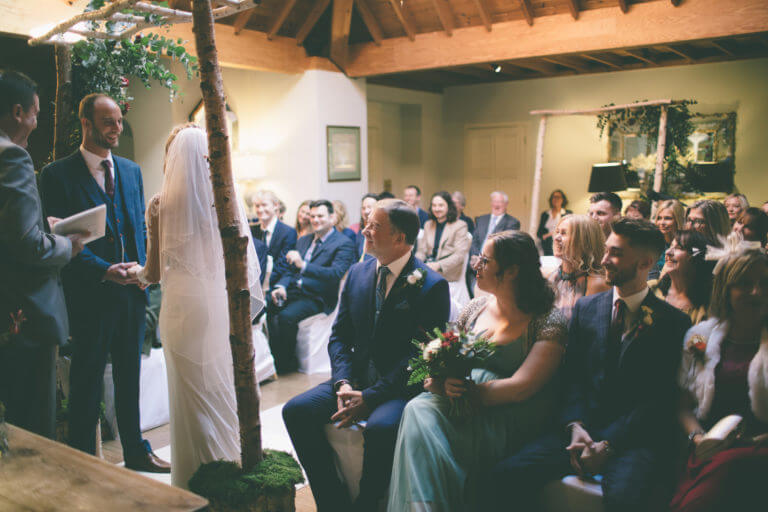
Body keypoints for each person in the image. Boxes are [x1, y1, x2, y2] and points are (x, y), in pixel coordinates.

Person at [484, 218, 691, 512]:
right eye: (606, 250)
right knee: (507, 473)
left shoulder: (672, 322)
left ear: (645, 262)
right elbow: (574, 377)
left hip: (633, 440)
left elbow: (658, 399)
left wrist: (609, 445)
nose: (604, 259)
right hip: (581, 430)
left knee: (626, 500)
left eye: (616, 253)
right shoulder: (587, 307)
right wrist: (575, 425)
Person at [283, 199, 450, 512]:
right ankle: (333, 503)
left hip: (399, 388)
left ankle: (367, 504)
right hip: (356, 376)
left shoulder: (431, 285)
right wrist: (343, 382)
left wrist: (372, 397)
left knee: (381, 427)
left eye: (374, 226)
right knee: (295, 410)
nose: (365, 232)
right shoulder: (359, 273)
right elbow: (340, 336)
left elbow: (421, 357)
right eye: (367, 223)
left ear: (400, 238)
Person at [388, 231, 568, 511]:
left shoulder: (547, 320)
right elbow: (447, 357)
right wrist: (442, 381)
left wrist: (468, 393)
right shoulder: (474, 308)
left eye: (485, 260)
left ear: (511, 271)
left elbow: (523, 386)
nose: (476, 265)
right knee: (417, 410)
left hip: (508, 414)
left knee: (420, 417)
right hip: (459, 402)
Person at [40, 93, 170, 472]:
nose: (116, 128)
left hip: (131, 295)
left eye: (118, 121)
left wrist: (146, 270)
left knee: (131, 377)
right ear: (86, 123)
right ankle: (84, 463)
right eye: (108, 121)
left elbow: (139, 227)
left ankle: (136, 452)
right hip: (88, 295)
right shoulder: (56, 175)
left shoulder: (130, 170)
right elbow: (57, 237)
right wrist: (103, 269)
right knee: (86, 381)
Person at [129, 125, 264, 488]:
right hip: (217, 306)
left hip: (181, 312)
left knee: (188, 397)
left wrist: (134, 272)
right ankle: (227, 465)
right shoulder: (224, 203)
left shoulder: (159, 205)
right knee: (218, 386)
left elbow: (153, 272)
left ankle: (191, 480)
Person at [0, 70, 84, 439]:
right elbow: (27, 244)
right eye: (34, 114)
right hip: (24, 313)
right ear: (18, 111)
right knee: (32, 426)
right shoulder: (12, 158)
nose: (35, 123)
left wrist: (42, 226)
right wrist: (68, 244)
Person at [670, 244, 768, 512]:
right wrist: (698, 438)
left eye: (764, 283)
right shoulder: (701, 335)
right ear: (727, 289)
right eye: (744, 284)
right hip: (707, 447)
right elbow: (682, 402)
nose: (756, 292)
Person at [268, 199, 355, 374]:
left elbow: (335, 274)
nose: (315, 220)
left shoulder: (343, 243)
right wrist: (282, 286)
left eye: (320, 216)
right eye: (313, 216)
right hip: (294, 290)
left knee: (286, 316)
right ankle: (271, 362)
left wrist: (304, 266)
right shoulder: (304, 240)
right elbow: (290, 270)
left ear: (331, 217)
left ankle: (284, 365)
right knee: (267, 305)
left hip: (318, 296)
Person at [549, 215, 610, 319]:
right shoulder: (552, 276)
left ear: (583, 241)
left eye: (564, 233)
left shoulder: (597, 284)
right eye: (557, 232)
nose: (556, 238)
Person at [649, 230, 715, 326]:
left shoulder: (706, 309)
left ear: (695, 258)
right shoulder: (650, 289)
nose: (668, 252)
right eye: (670, 246)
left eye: (678, 248)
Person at [415, 191, 471, 285]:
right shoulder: (428, 224)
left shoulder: (460, 225)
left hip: (448, 274)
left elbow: (459, 255)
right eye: (434, 205)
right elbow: (421, 251)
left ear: (448, 206)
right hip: (428, 269)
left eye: (441, 205)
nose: (437, 209)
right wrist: (415, 264)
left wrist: (438, 265)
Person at [469, 191, 521, 285]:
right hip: (474, 267)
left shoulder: (512, 223)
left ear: (506, 204)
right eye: (494, 201)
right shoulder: (481, 219)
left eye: (500, 202)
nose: (496, 204)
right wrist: (475, 256)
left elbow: (505, 246)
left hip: (494, 268)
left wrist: (483, 260)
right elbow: (474, 241)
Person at [250, 190, 297, 290]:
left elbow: (283, 264)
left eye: (264, 205)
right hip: (253, 284)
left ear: (275, 205)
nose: (260, 209)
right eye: (257, 206)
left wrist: (264, 282)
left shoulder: (288, 232)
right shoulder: (251, 230)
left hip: (276, 284)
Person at [654, 199, 687, 277]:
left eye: (667, 218)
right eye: (659, 218)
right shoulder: (653, 244)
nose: (662, 223)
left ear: (678, 220)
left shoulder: (686, 246)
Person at [537, 189, 571, 256]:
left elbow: (569, 230)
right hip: (547, 242)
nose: (555, 199)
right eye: (554, 197)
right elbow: (539, 233)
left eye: (558, 197)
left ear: (563, 199)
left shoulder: (568, 213)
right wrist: (544, 236)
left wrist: (550, 234)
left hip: (561, 240)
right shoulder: (545, 214)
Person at [354, 193, 379, 261]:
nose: (366, 211)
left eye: (369, 207)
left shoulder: (383, 233)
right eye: (363, 208)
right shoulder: (361, 232)